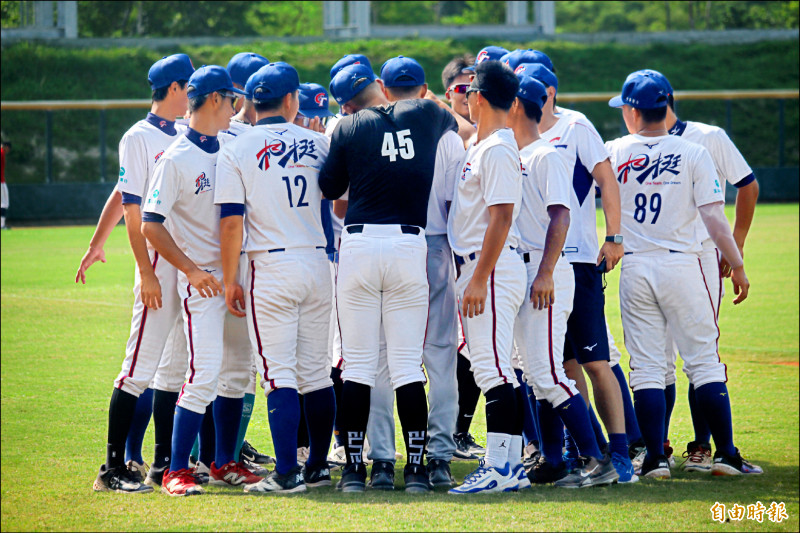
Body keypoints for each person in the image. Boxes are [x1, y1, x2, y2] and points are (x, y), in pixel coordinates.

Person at [606, 70, 761, 478]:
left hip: (636, 266)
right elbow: (713, 215)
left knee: (648, 367)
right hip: (686, 263)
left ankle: (656, 459)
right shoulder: (693, 151)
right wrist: (738, 263)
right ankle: (725, 454)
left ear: (635, 112)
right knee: (703, 363)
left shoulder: (615, 151)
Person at [319, 62, 458, 494]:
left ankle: (355, 470)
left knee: (359, 365)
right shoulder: (428, 114)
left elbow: (329, 188)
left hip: (359, 245)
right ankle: (416, 469)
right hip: (409, 246)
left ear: (346, 103)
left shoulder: (345, 127)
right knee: (405, 366)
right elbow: (445, 114)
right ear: (378, 86)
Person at [214, 61, 337, 494]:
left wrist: (231, 279)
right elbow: (336, 202)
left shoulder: (237, 147)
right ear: (291, 100)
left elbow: (231, 221)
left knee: (277, 372)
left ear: (249, 101)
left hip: (269, 264)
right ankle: (318, 467)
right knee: (317, 373)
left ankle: (286, 473)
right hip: (317, 260)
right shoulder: (318, 142)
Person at [141, 65, 260, 496]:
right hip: (205, 279)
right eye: (232, 99)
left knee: (237, 374)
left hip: (238, 274)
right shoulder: (175, 157)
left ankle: (223, 460)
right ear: (214, 100)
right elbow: (150, 225)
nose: (236, 107)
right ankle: (175, 469)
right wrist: (190, 270)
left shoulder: (229, 144)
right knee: (204, 372)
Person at [516, 61, 633, 479]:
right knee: (558, 366)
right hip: (536, 261)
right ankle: (580, 451)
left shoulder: (574, 126)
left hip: (578, 259)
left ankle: (620, 451)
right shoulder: (511, 140)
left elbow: (607, 178)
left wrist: (614, 236)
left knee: (596, 361)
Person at [90, 54, 195, 494]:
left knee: (173, 371)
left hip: (181, 261)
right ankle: (111, 469)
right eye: (187, 86)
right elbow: (133, 208)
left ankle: (161, 464)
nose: (192, 93)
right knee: (136, 369)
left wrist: (95, 242)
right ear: (173, 88)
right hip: (155, 263)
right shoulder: (138, 136)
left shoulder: (186, 132)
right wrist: (144, 272)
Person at [360, 55, 465, 489]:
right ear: (425, 91)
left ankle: (383, 459)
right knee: (439, 356)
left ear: (384, 88)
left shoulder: (369, 130)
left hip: (385, 246)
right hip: (436, 245)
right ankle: (438, 456)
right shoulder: (448, 135)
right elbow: (457, 207)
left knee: (383, 358)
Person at [446, 60, 528, 494]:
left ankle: (499, 468)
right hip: (486, 265)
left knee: (492, 369)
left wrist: (478, 278)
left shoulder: (495, 147)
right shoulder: (485, 145)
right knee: (498, 369)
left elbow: (501, 218)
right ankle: (509, 466)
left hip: (489, 266)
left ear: (478, 97)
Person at [1, 141, 10, 230]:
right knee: (4, 203)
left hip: (2, 180)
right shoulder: (1, 152)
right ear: (6, 147)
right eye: (8, 148)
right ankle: (2, 225)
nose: (8, 150)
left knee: (3, 203)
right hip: (0, 181)